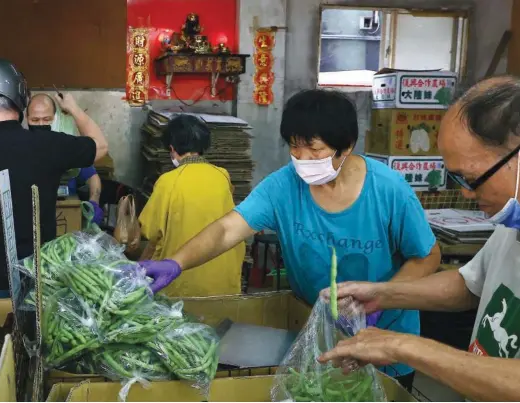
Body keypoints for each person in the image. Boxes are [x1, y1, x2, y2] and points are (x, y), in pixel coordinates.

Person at [142, 89, 441, 389]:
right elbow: (227, 230)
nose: (302, 159)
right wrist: (176, 262)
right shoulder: (283, 186)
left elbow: (428, 256)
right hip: (320, 337)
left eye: (314, 150)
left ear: (346, 146)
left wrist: (383, 297)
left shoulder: (388, 190)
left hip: (385, 338)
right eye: (295, 148)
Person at [318, 76, 520, 402]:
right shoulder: (514, 220)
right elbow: (470, 285)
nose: (464, 191)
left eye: (473, 179)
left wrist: (406, 346)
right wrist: (383, 295)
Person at [0, 57, 108, 301]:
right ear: (20, 102)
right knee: (36, 339)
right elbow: (100, 146)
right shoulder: (48, 144)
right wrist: (73, 108)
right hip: (38, 277)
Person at [138, 115, 244, 297]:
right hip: (223, 280)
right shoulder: (222, 176)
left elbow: (150, 231)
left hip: (181, 280)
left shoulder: (168, 181)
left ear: (172, 149)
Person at [26, 94, 103, 224]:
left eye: (46, 119)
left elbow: (93, 177)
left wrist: (93, 202)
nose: (41, 124)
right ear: (27, 119)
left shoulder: (63, 146)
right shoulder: (21, 147)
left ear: (55, 119)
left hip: (66, 216)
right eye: (35, 120)